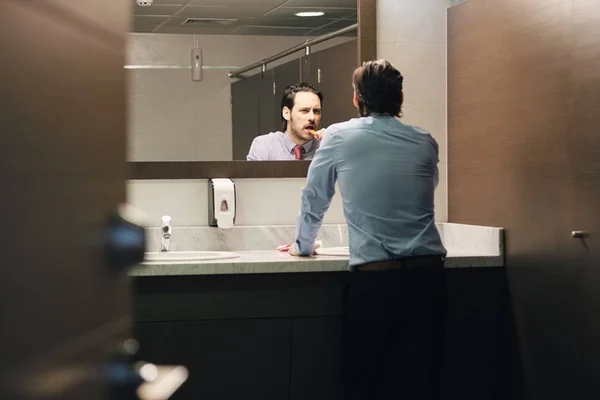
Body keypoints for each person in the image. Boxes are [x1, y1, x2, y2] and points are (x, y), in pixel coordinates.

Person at [289, 60, 448, 400]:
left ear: (357, 99)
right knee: (421, 383)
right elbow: (425, 191)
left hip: (378, 282)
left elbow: (315, 197)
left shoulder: (338, 136)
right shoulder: (425, 141)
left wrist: (302, 245)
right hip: (429, 278)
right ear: (400, 96)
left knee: (364, 383)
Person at [246, 82, 326, 161]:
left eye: (316, 111)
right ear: (286, 113)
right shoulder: (265, 145)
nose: (312, 117)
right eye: (304, 110)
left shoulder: (325, 148)